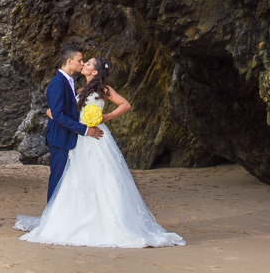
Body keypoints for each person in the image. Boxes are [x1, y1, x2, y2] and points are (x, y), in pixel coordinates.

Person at [14, 55, 185, 248]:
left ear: (94, 71)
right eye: (83, 61)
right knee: (80, 176)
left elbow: (125, 104)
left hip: (97, 135)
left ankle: (112, 221)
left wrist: (106, 117)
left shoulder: (103, 90)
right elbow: (66, 111)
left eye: (87, 63)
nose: (83, 64)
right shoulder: (78, 90)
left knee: (105, 175)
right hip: (81, 137)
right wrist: (50, 112)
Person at [43, 44, 104, 203]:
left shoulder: (70, 81)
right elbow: (58, 114)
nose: (82, 63)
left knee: (66, 181)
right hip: (59, 138)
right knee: (57, 179)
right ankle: (50, 219)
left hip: (69, 138)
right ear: (69, 61)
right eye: (80, 60)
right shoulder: (58, 83)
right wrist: (84, 130)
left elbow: (67, 107)